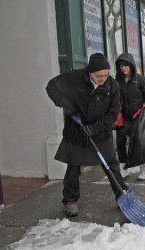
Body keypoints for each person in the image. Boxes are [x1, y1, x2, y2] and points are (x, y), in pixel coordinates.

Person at [46, 53, 129, 217]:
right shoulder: (74, 78)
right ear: (90, 72)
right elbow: (51, 87)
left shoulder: (112, 86)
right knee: (73, 165)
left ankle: (123, 196)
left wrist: (95, 128)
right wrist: (66, 105)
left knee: (111, 165)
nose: (103, 79)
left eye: (106, 75)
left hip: (100, 132)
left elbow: (112, 114)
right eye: (99, 76)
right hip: (76, 131)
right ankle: (70, 200)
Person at [114, 53, 145, 181]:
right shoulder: (117, 81)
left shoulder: (140, 79)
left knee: (139, 143)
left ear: (131, 66)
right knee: (120, 141)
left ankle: (143, 168)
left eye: (125, 65)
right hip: (123, 118)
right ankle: (124, 168)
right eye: (121, 66)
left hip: (138, 116)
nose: (123, 68)